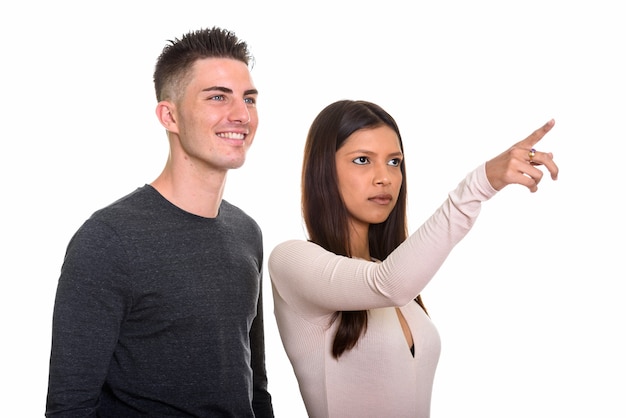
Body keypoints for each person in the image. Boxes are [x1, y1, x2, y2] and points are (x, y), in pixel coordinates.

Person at [268, 100, 558, 417]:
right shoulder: (291, 260)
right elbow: (388, 285)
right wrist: (479, 184)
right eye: (363, 160)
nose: (385, 178)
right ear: (323, 170)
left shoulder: (393, 273)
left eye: (394, 162)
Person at [46, 27, 274, 417]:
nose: (241, 115)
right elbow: (70, 407)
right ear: (169, 115)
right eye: (218, 97)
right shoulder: (108, 240)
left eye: (248, 99)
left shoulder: (246, 232)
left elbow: (255, 387)